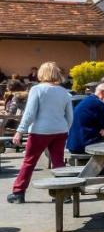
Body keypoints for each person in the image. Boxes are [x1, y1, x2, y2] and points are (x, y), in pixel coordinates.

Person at [8, 62, 73, 203]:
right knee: (58, 163)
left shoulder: (37, 89)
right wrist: (65, 128)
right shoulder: (65, 93)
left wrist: (20, 131)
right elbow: (70, 116)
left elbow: (30, 113)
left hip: (40, 131)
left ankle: (18, 192)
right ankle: (63, 193)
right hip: (60, 131)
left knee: (29, 161)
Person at [67, 82, 104, 154]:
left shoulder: (87, 100)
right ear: (103, 93)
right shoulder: (98, 104)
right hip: (85, 145)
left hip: (73, 144)